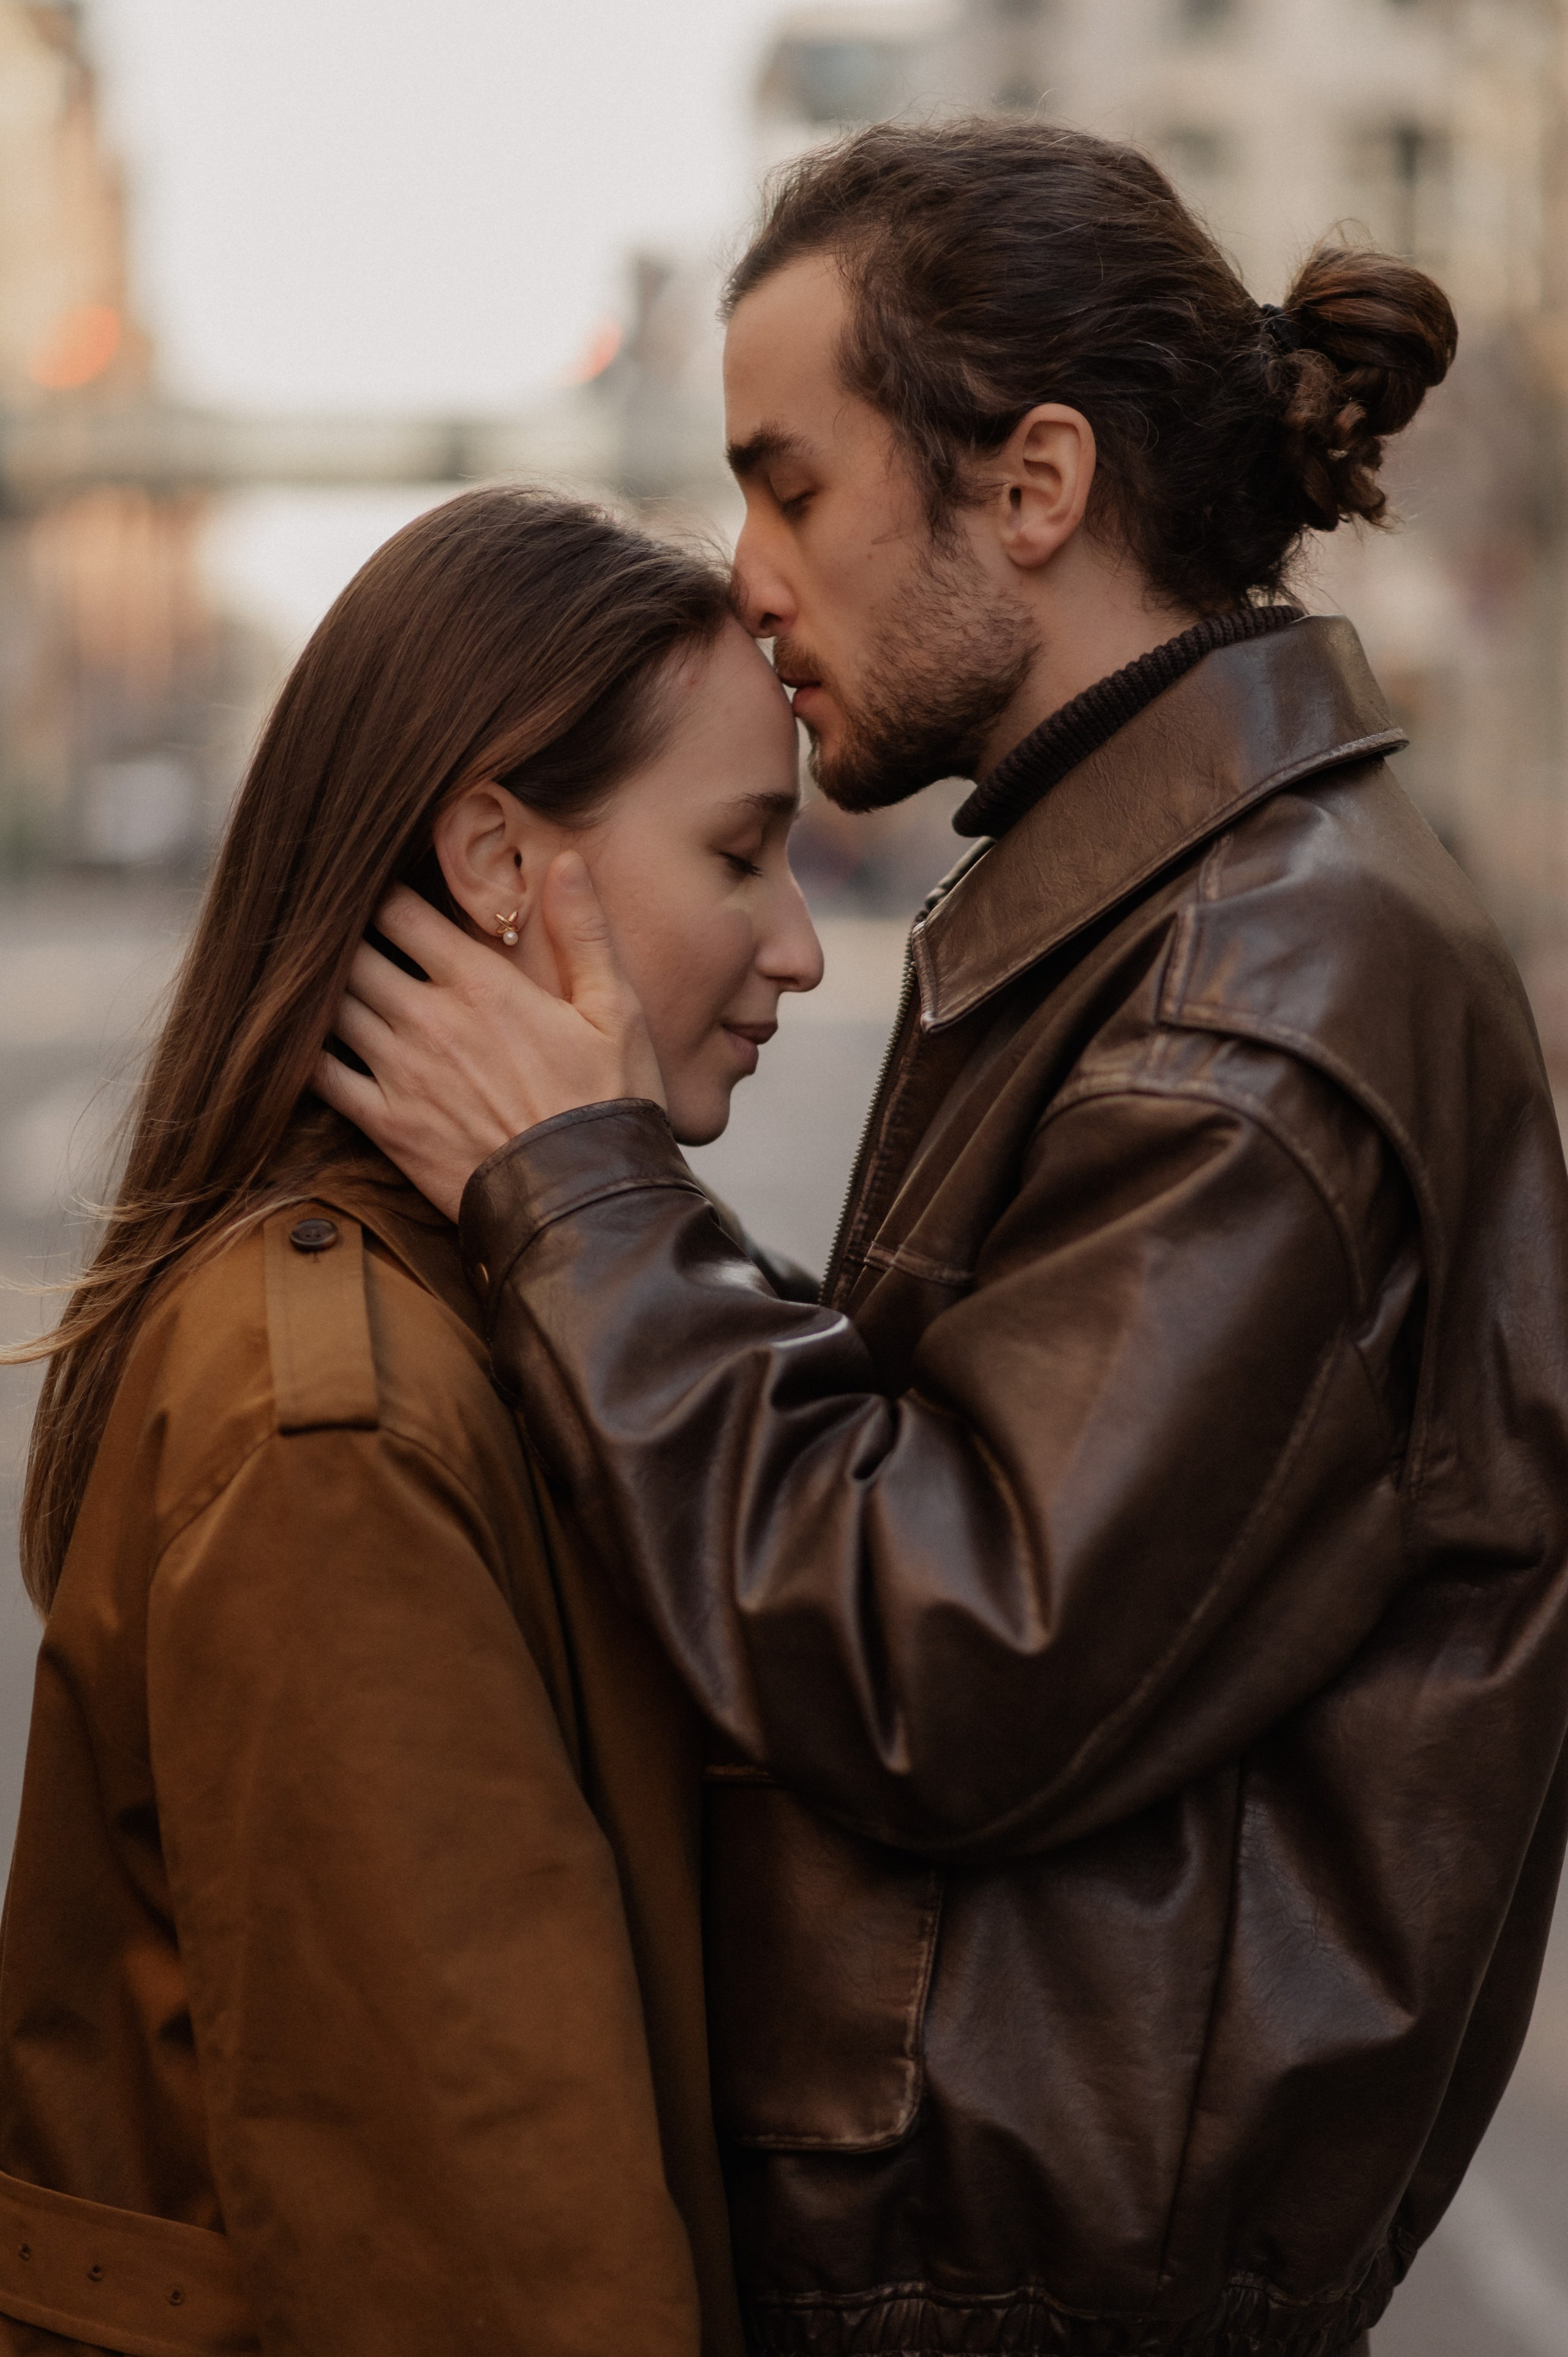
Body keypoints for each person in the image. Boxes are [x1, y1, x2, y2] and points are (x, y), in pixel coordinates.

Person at [324, 123, 1568, 2357]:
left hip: (1017, 2300)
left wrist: (580, 1193)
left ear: (1036, 484)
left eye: (790, 487)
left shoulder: (1258, 990)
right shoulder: (1175, 909)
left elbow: (950, 1650)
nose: (748, 578)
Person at [0, 485, 821, 2357]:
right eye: (742, 853)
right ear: (498, 859)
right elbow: (497, 2271)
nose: (800, 944)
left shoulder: (520, 1302)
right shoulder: (336, 1429)